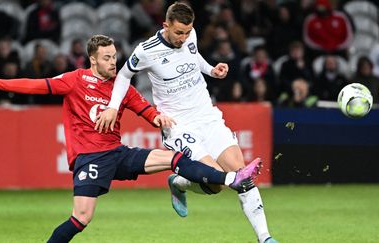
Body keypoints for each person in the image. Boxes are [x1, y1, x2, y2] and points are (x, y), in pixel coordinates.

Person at [0, 34, 262, 243]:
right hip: (90, 158)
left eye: (115, 56)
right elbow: (34, 86)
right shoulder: (75, 80)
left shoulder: (121, 87)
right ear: (93, 60)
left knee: (172, 158)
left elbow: (144, 107)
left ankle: (230, 179)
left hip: (116, 153)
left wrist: (159, 118)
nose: (113, 62)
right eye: (107, 58)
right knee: (81, 218)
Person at [95, 3, 278, 243]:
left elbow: (194, 58)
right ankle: (180, 183)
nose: (183, 37)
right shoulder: (146, 50)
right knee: (217, 183)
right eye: (178, 32)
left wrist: (212, 70)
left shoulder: (190, 35)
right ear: (166, 25)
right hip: (178, 124)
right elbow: (123, 76)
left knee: (241, 175)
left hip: (208, 116)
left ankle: (265, 238)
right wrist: (112, 106)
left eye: (187, 31)